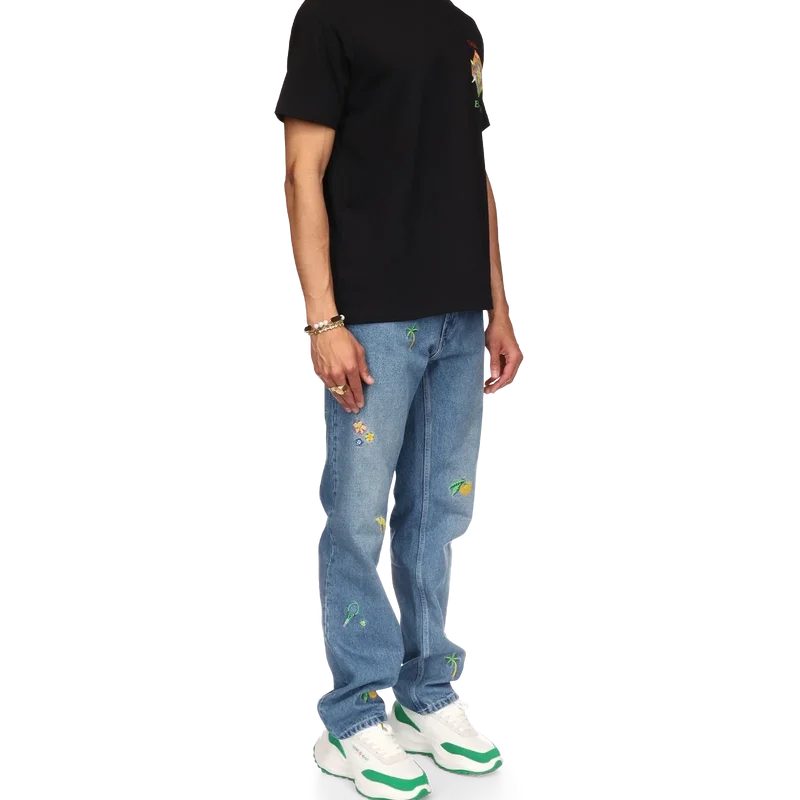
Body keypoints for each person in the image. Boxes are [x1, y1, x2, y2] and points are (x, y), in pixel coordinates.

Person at [277, 1, 523, 797]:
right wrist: (323, 320)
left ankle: (428, 694)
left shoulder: (457, 23)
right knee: (359, 520)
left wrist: (497, 306)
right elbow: (301, 168)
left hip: (460, 315)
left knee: (437, 512)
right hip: (374, 319)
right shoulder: (330, 19)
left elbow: (473, 171)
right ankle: (352, 715)